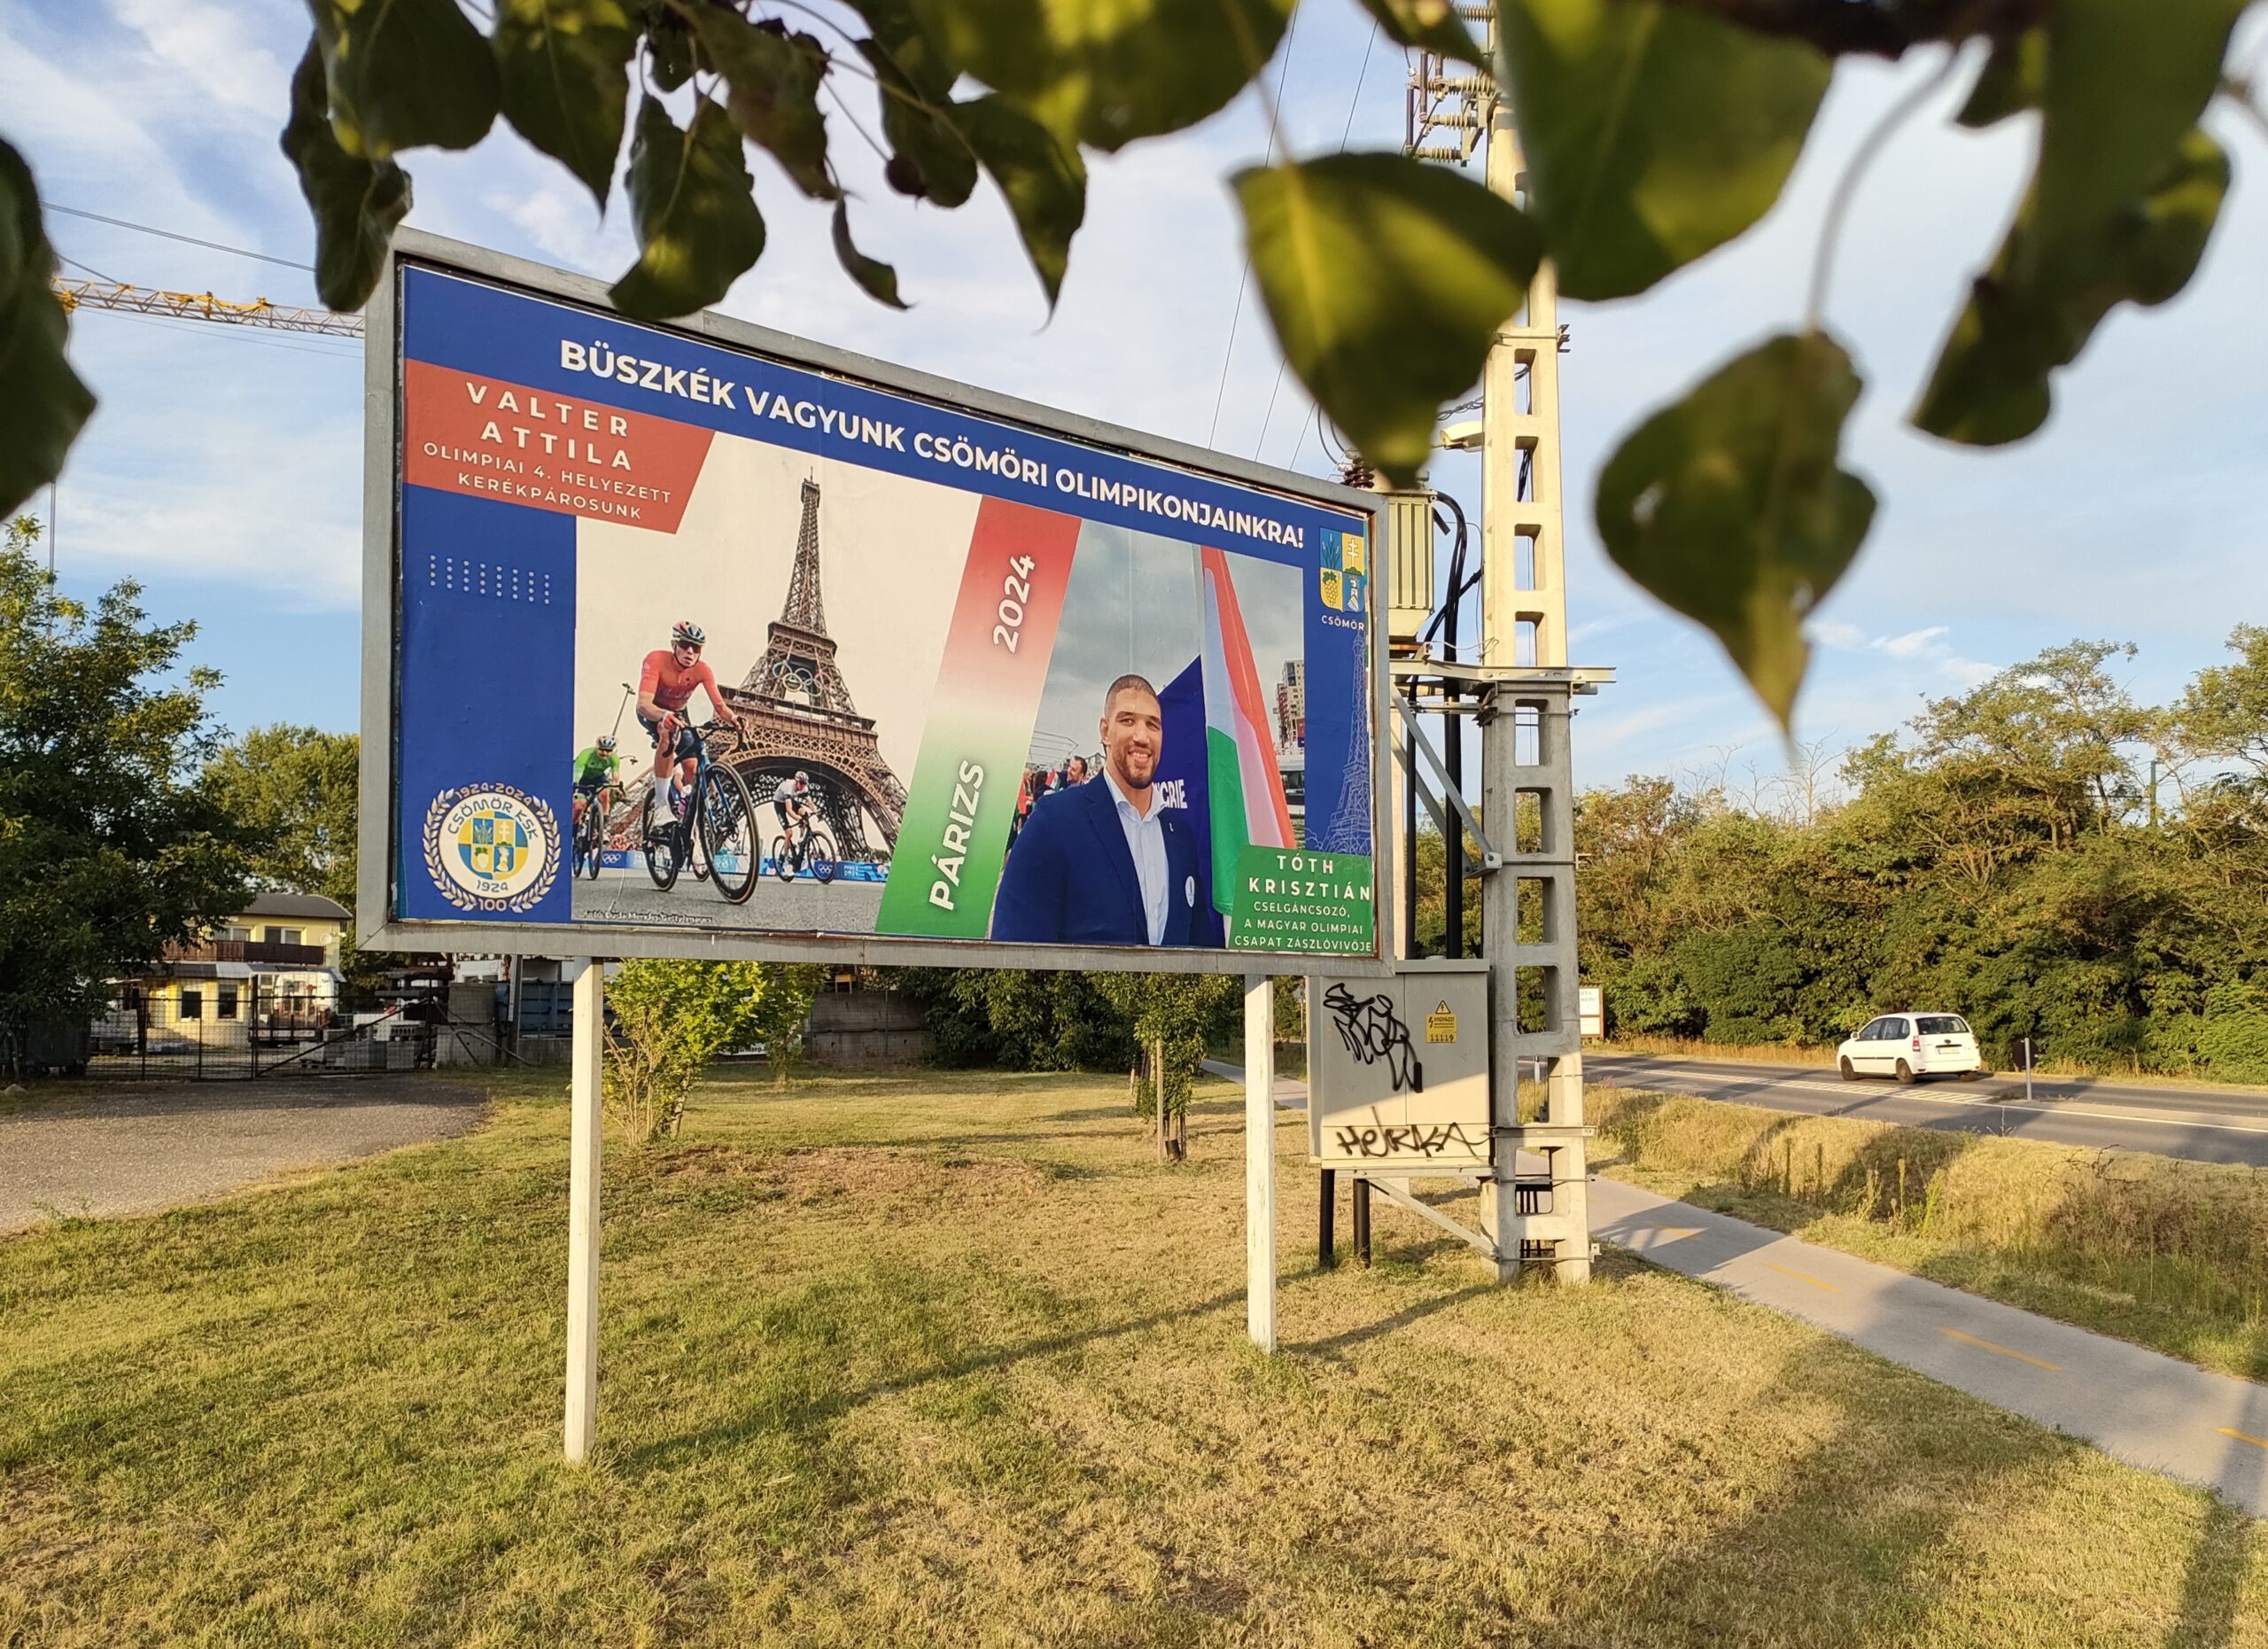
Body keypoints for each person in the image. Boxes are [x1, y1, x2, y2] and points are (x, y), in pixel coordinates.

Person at [991, 674, 1206, 946]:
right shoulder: (1054, 824)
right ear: (1105, 731)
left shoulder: (1179, 837)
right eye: (1128, 720)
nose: (1142, 736)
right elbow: (1014, 952)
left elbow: (1199, 950)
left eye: (1153, 724)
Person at [637, 619, 739, 834]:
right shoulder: (656, 659)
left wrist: (734, 718)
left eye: (696, 648)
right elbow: (643, 704)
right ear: (674, 645)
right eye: (685, 645)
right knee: (668, 733)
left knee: (693, 766)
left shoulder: (703, 670)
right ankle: (661, 806)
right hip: (654, 710)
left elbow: (720, 706)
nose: (690, 651)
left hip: (679, 713)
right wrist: (663, 715)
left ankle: (691, 821)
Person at [571, 734, 621, 837]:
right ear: (596, 747)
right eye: (602, 750)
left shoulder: (614, 759)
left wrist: (616, 787)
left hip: (598, 777)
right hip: (582, 777)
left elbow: (615, 774)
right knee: (579, 805)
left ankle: (604, 821)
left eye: (608, 751)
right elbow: (577, 772)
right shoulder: (586, 754)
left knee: (605, 792)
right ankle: (573, 829)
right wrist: (575, 785)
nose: (605, 753)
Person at [773, 770, 818, 857]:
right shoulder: (788, 786)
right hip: (779, 804)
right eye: (801, 783)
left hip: (790, 800)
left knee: (804, 814)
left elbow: (810, 802)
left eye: (805, 784)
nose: (803, 786)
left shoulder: (804, 788)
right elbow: (789, 810)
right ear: (796, 782)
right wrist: (799, 819)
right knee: (789, 833)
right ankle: (783, 857)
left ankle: (801, 839)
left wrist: (816, 813)